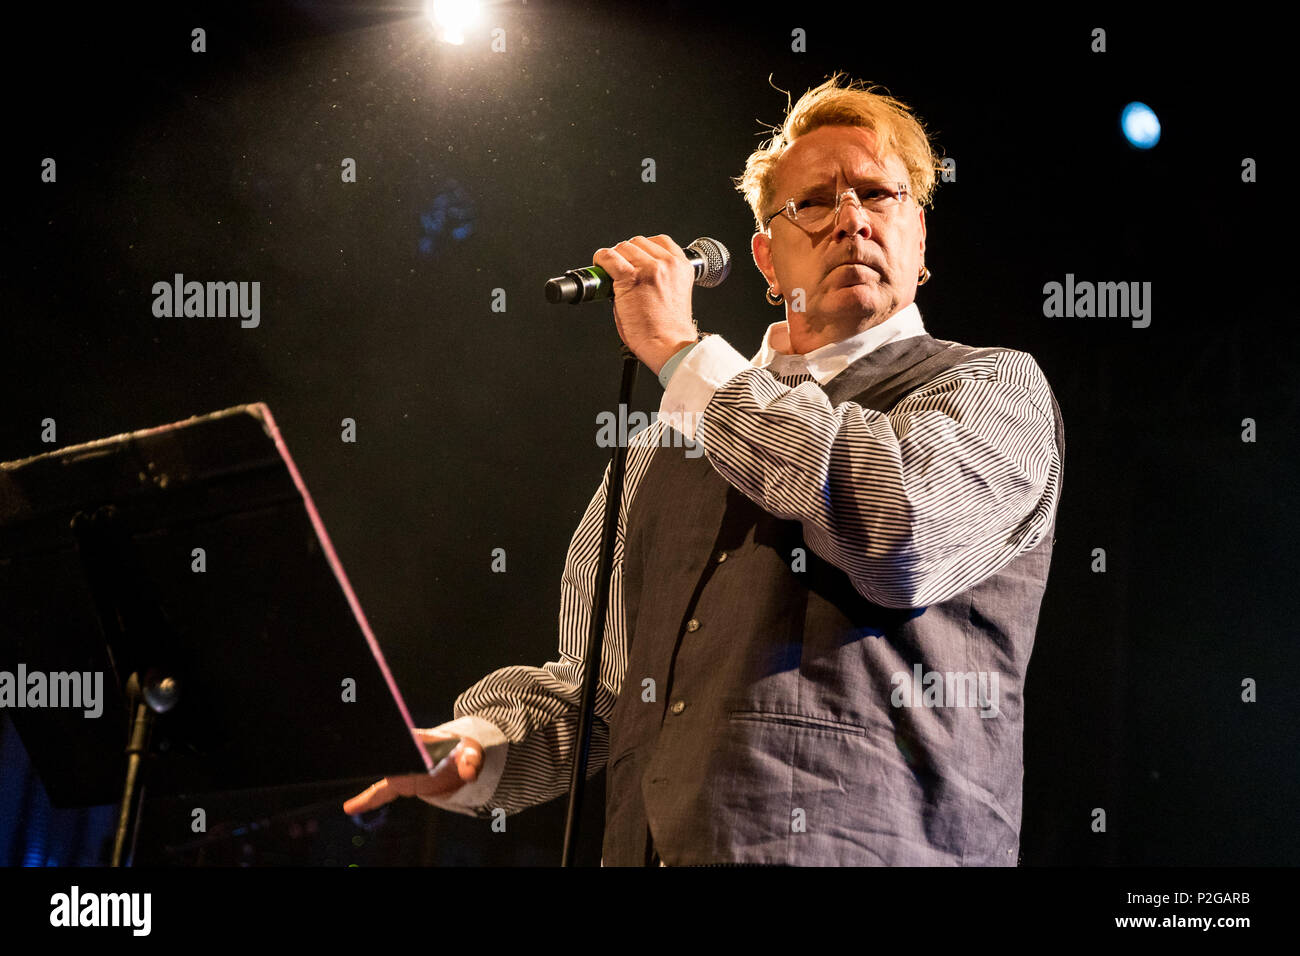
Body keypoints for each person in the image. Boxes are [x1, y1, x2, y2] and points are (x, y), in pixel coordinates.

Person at [344, 73, 1064, 866]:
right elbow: (601, 685)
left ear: (919, 237)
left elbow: (898, 530)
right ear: (765, 253)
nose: (852, 219)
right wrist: (479, 749)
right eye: (815, 203)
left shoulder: (990, 387)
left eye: (878, 194)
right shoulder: (668, 441)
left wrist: (684, 355)